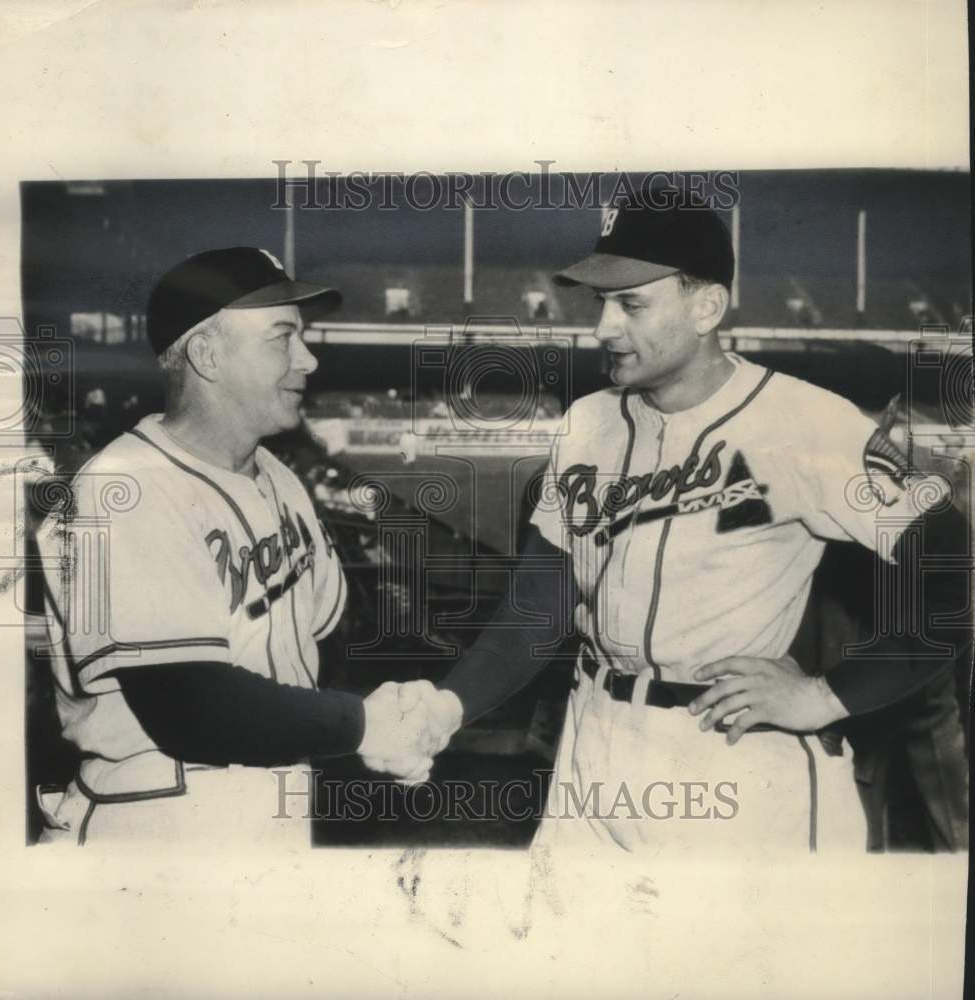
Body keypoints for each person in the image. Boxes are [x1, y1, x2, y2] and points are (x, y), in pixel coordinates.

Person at [375, 201, 971, 855]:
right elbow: (539, 606)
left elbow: (954, 566)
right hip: (593, 743)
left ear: (706, 308)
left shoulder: (806, 424)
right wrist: (449, 705)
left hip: (733, 755)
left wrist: (829, 696)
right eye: (601, 302)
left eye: (631, 305)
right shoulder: (587, 425)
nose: (603, 327)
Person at [35, 247, 433, 847]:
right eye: (282, 337)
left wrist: (381, 716)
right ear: (207, 354)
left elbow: (326, 635)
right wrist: (363, 725)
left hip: (271, 806)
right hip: (154, 823)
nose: (308, 358)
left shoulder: (277, 474)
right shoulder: (125, 488)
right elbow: (187, 708)